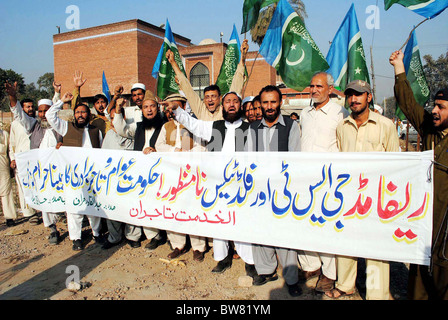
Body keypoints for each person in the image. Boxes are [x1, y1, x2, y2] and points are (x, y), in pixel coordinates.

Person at [166, 90, 257, 278]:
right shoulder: (215, 126)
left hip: (241, 185)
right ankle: (222, 258)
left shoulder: (250, 128)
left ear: (240, 106)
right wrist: (178, 110)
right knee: (219, 222)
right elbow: (194, 125)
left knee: (243, 222)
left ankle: (249, 261)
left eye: (235, 102)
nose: (231, 105)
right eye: (227, 102)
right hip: (217, 185)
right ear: (222, 106)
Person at [324, 80, 399, 300]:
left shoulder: (385, 125)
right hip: (349, 196)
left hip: (377, 197)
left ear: (369, 97)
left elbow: (395, 163)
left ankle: (377, 293)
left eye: (359, 95)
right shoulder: (342, 126)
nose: (354, 99)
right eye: (350, 95)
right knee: (346, 241)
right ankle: (346, 285)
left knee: (376, 248)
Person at [390, 50, 448, 300]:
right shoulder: (428, 129)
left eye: (441, 107)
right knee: (419, 281)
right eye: (434, 105)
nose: (434, 111)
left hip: (446, 227)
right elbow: (408, 104)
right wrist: (398, 67)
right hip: (425, 221)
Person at [245, 85, 302, 297]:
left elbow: (295, 158)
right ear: (260, 104)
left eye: (273, 102)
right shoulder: (253, 128)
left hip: (283, 190)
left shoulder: (291, 125)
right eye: (265, 102)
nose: (269, 107)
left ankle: (291, 278)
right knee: (259, 231)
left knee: (285, 234)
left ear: (280, 103)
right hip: (260, 189)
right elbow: (250, 159)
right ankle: (266, 271)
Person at [298, 72, 349, 293]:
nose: (314, 90)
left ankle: (329, 274)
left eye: (319, 86)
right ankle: (312, 266)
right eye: (312, 86)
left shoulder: (340, 113)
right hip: (305, 179)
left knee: (327, 227)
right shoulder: (304, 114)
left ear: (330, 88)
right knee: (306, 224)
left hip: (329, 180)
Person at [6, 81, 64, 242]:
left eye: (46, 111)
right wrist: (13, 95)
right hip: (41, 171)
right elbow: (18, 113)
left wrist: (57, 94)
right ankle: (53, 229)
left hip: (58, 170)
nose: (43, 114)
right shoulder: (33, 126)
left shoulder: (60, 127)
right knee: (45, 199)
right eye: (40, 111)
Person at [46, 92, 104, 251]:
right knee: (74, 208)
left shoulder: (95, 131)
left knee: (94, 206)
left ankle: (97, 234)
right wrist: (62, 101)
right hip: (72, 177)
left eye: (83, 112)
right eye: (77, 112)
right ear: (74, 115)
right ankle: (76, 238)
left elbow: (102, 150)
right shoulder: (66, 127)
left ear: (88, 114)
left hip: (92, 175)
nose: (80, 115)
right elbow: (49, 115)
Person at [155, 93, 207, 261]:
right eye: (168, 107)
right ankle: (178, 245)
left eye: (174, 106)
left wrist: (186, 155)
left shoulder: (194, 126)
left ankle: (198, 247)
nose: (170, 110)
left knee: (193, 210)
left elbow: (202, 149)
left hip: (191, 175)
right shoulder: (166, 127)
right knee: (173, 209)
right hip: (171, 175)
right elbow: (159, 146)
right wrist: (175, 152)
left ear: (183, 107)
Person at [113, 89, 167, 251]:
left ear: (158, 108)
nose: (149, 110)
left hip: (161, 173)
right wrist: (117, 109)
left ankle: (166, 233)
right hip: (142, 175)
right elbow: (121, 129)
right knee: (145, 204)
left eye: (152, 106)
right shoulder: (138, 127)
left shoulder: (165, 126)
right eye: (146, 107)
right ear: (141, 110)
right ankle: (153, 236)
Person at [166, 39, 249, 121]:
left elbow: (236, 86)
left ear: (220, 98)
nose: (210, 100)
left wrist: (242, 58)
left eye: (213, 96)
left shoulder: (225, 112)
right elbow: (188, 89)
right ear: (204, 100)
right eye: (207, 97)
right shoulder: (201, 111)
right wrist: (173, 62)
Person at [9, 97, 38, 225]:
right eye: (27, 107)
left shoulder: (36, 122)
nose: (30, 109)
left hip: (35, 159)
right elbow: (12, 144)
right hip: (21, 159)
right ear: (22, 108)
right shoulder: (15, 124)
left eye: (32, 106)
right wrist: (13, 158)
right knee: (23, 187)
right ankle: (30, 213)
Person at [70, 71, 108, 136]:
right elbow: (77, 106)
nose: (100, 105)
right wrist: (77, 88)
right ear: (94, 106)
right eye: (97, 103)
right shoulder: (92, 118)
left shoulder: (113, 117)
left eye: (102, 102)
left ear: (107, 103)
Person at [0, 122, 17, 228]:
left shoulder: (4, 135)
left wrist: (12, 161)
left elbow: (10, 150)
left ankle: (9, 217)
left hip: (2, 167)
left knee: (6, 191)